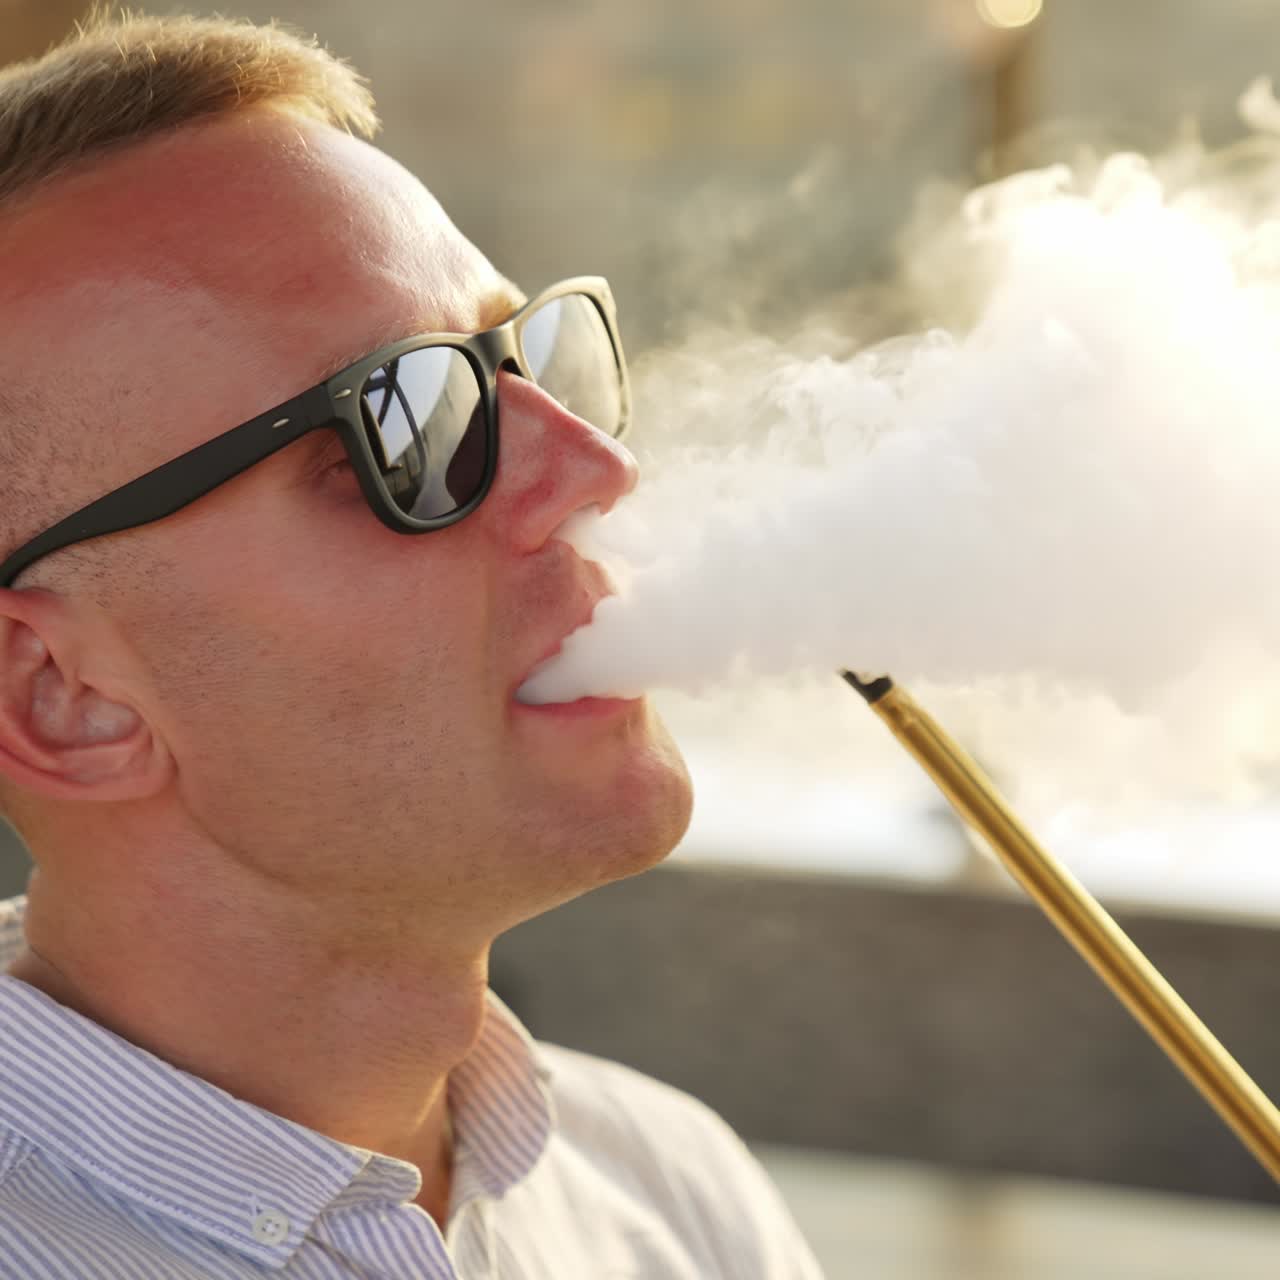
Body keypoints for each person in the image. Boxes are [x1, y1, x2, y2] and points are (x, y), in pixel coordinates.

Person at [0, 11, 824, 1278]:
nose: (595, 468)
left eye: (529, 355)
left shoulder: (669, 1186)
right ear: (62, 697)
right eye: (403, 423)